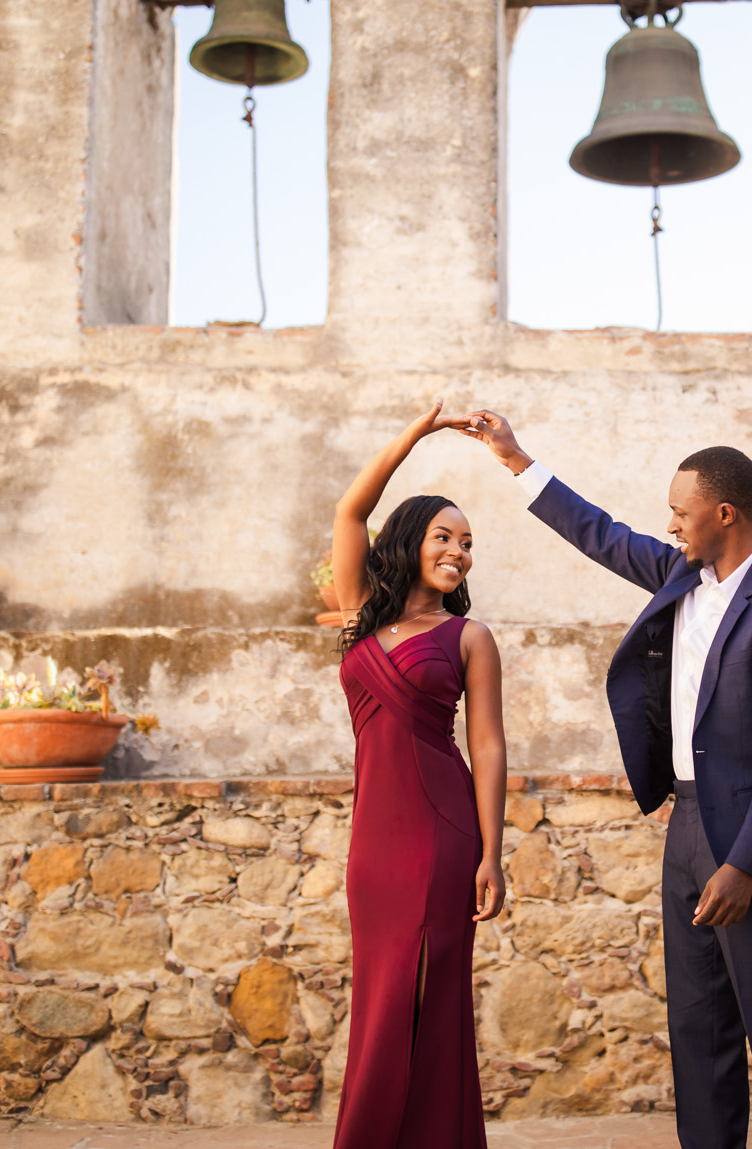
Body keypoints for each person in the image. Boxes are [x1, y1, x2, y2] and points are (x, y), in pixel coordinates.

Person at [459, 409, 752, 1149]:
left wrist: (744, 864)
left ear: (723, 513)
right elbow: (599, 533)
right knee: (700, 1029)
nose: (669, 524)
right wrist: (515, 458)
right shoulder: (679, 572)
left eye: (679, 510)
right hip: (688, 828)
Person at [329, 401, 506, 1149]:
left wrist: (493, 852)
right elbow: (350, 508)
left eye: (467, 542)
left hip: (442, 836)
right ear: (410, 540)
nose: (459, 551)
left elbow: (489, 745)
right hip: (373, 843)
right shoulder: (358, 613)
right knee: (378, 997)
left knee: (432, 1000)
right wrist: (419, 433)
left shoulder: (470, 636)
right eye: (445, 536)